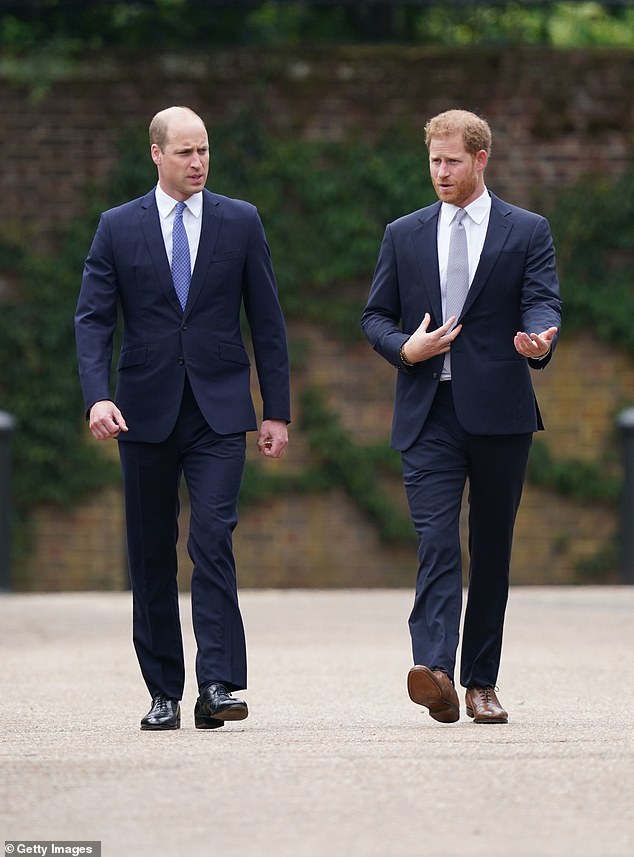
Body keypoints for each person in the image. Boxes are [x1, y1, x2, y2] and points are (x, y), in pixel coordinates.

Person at [75, 106, 291, 731]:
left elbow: (268, 324)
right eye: (185, 152)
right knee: (149, 553)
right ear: (156, 155)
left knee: (212, 539)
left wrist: (274, 410)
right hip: (141, 412)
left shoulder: (240, 221)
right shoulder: (118, 227)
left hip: (220, 411)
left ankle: (219, 684)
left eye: (204, 151)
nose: (198, 162)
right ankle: (164, 691)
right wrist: (96, 396)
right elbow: (93, 319)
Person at [361, 109, 561, 724]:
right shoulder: (405, 233)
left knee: (492, 548)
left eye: (451, 161)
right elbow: (374, 317)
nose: (440, 172)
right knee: (436, 540)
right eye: (433, 161)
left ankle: (481, 683)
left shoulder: (525, 231)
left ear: (480, 159)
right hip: (428, 412)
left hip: (500, 411)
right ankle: (436, 671)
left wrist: (537, 340)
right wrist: (405, 347)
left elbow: (542, 299)